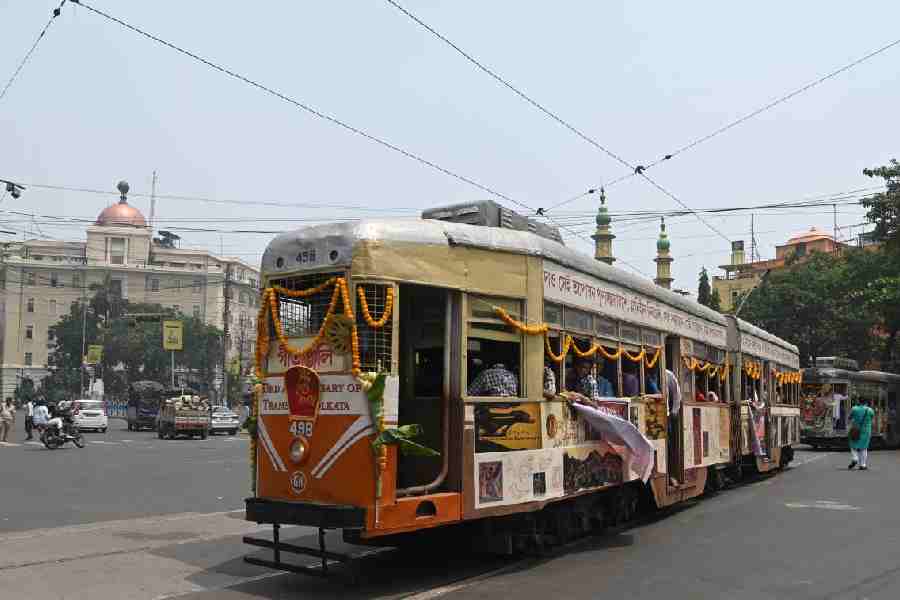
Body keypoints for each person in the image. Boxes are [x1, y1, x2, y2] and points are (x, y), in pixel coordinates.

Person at [848, 398, 875, 470]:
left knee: (853, 445)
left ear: (858, 402)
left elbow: (849, 418)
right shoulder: (870, 410)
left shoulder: (854, 409)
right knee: (864, 447)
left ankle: (855, 458)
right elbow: (872, 419)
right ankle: (863, 465)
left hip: (856, 430)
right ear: (866, 402)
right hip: (866, 431)